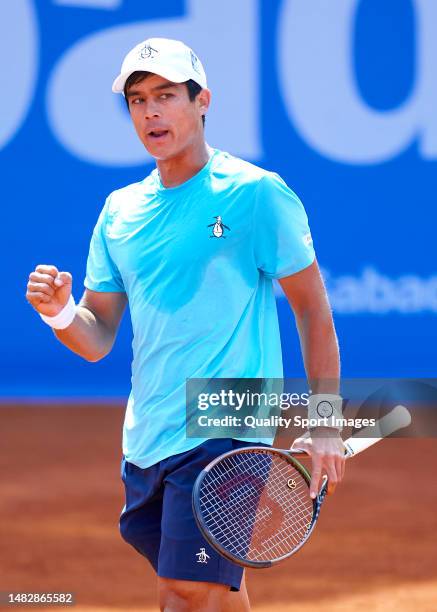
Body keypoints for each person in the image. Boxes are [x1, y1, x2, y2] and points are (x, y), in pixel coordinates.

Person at [26, 37, 345, 611]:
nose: (150, 111)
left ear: (203, 102)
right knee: (219, 593)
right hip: (150, 431)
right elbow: (97, 334)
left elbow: (313, 310)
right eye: (138, 100)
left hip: (229, 421)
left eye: (166, 95)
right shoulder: (119, 212)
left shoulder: (255, 195)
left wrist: (324, 423)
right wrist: (59, 313)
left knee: (185, 591)